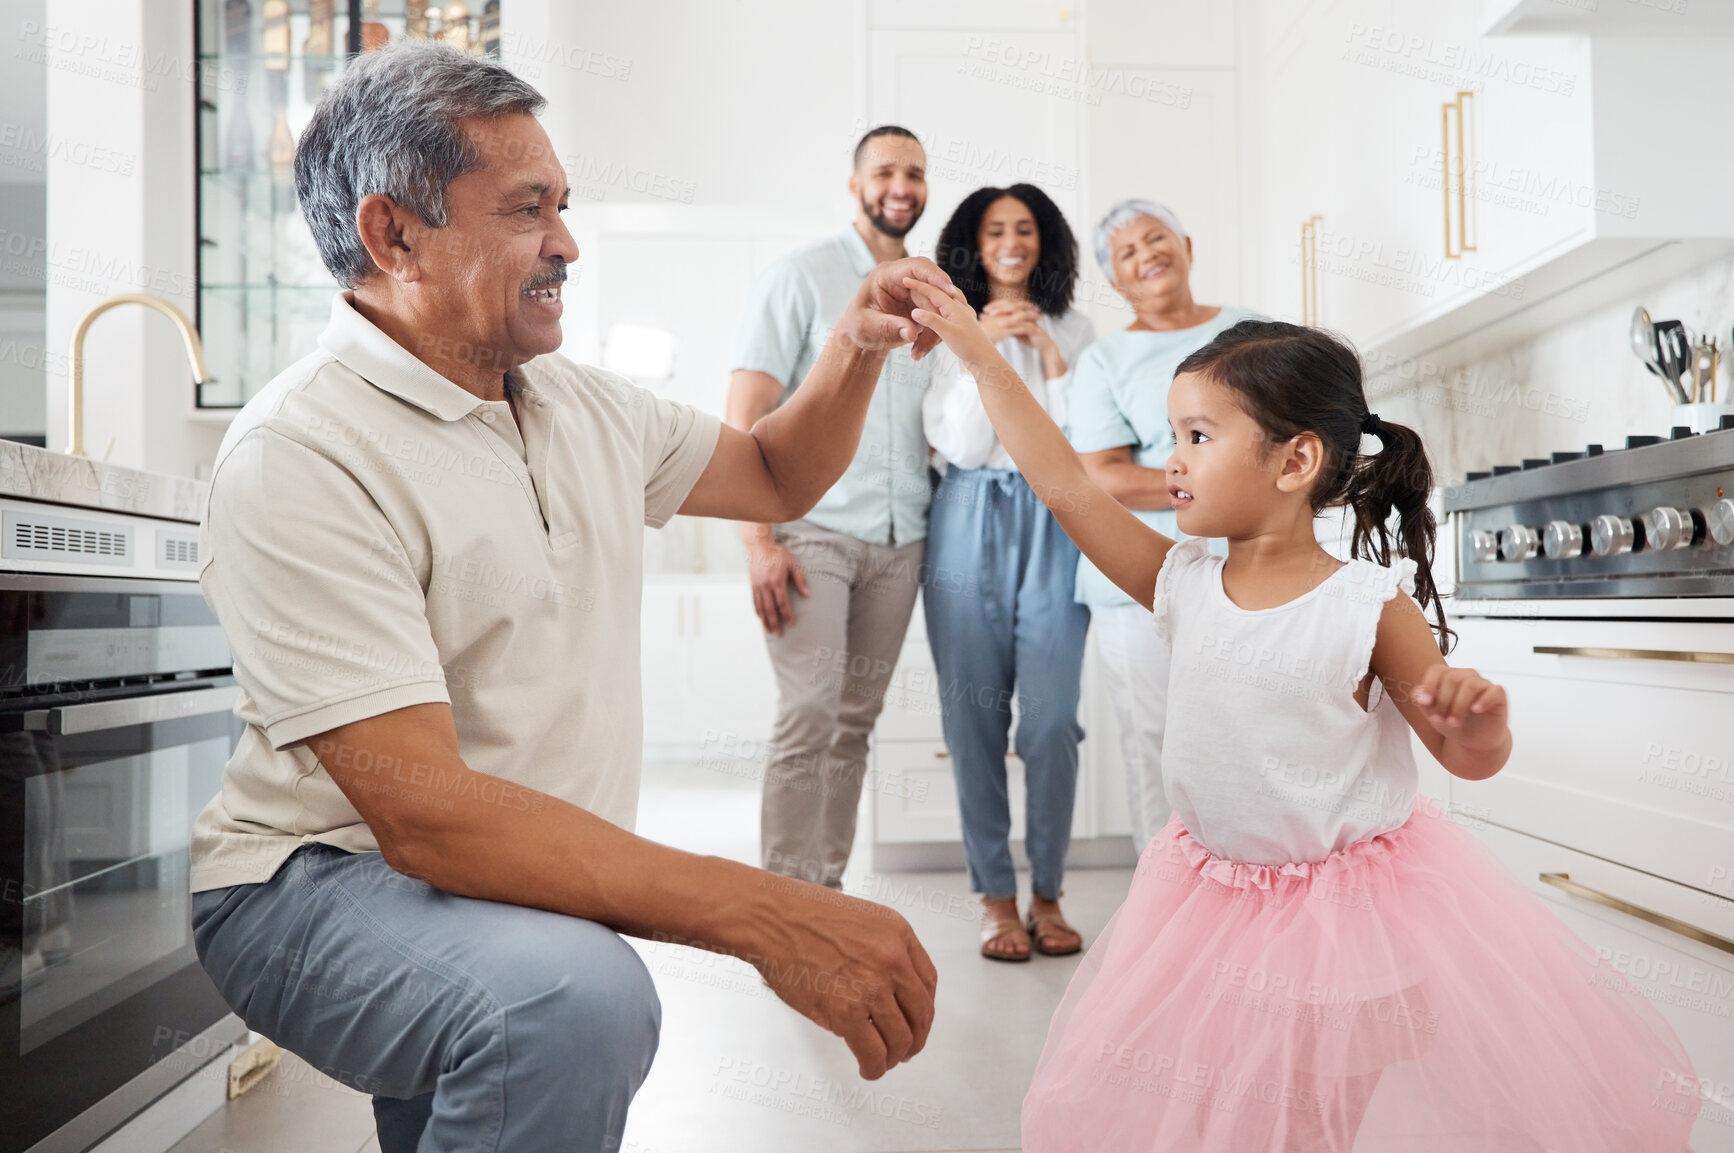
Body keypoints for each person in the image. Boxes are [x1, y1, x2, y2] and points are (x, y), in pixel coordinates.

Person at [188, 44, 953, 1153]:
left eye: (564, 205)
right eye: (526, 209)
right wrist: (771, 912)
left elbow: (778, 473)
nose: (566, 243)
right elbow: (428, 814)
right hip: (316, 880)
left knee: (509, 1050)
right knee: (568, 1002)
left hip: (500, 884)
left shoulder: (580, 406)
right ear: (392, 233)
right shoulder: (303, 453)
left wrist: (852, 344)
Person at [893, 289, 1701, 1150]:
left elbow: (1465, 758)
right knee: (1233, 1104)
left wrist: (1479, 723)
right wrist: (981, 358)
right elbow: (1062, 481)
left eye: (1197, 437)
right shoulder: (1179, 581)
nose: (1171, 460)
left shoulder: (1368, 606)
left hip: (1345, 925)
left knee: (1318, 1121)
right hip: (1207, 904)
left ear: (1294, 461)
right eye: (1174, 436)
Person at [727, 126, 933, 890]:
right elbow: (748, 406)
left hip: (902, 538)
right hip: (811, 530)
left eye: (914, 172)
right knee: (809, 715)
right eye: (885, 171)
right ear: (856, 185)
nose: (901, 186)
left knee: (853, 724)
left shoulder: (933, 293)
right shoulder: (799, 276)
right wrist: (758, 541)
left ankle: (827, 890)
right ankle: (784, 897)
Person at [921, 184, 1094, 961]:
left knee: (1053, 719)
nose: (1012, 241)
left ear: (1045, 242)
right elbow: (959, 444)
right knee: (972, 719)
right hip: (967, 516)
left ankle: (1048, 892)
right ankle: (995, 896)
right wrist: (979, 348)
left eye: (1026, 229)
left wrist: (1052, 357)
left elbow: (1082, 443)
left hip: (1057, 515)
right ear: (974, 244)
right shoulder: (946, 329)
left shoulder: (1077, 328)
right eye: (996, 230)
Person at [1067, 200, 1259, 853]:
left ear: (1188, 244)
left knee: (1249, 734)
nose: (1147, 253)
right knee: (1157, 741)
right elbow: (1103, 474)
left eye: (1157, 237)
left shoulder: (1254, 330)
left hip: (1250, 569)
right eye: (1127, 252)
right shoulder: (1105, 361)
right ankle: (1168, 905)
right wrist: (1219, 487)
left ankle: (1249, 891)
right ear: (1115, 281)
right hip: (1137, 577)